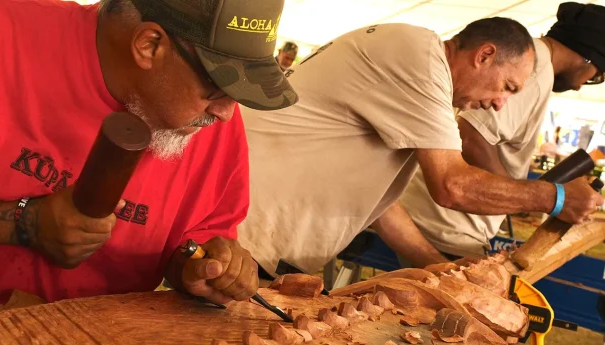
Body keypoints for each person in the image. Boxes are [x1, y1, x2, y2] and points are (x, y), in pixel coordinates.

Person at [0, 0, 298, 329]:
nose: (226, 113)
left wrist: (202, 270)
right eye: (216, 87)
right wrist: (24, 222)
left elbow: (191, 247)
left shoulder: (209, 125)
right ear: (150, 45)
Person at [238, 17, 603, 278]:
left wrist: (434, 264)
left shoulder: (422, 71)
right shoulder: (420, 61)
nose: (499, 104)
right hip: (241, 229)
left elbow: (380, 203)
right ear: (484, 55)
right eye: (507, 87)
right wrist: (553, 197)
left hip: (258, 236)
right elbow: (452, 186)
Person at [400, 2, 605, 261]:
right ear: (587, 57)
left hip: (427, 220)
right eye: (596, 76)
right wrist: (523, 195)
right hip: (445, 230)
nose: (580, 87)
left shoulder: (528, 59)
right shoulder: (536, 70)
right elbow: (471, 136)